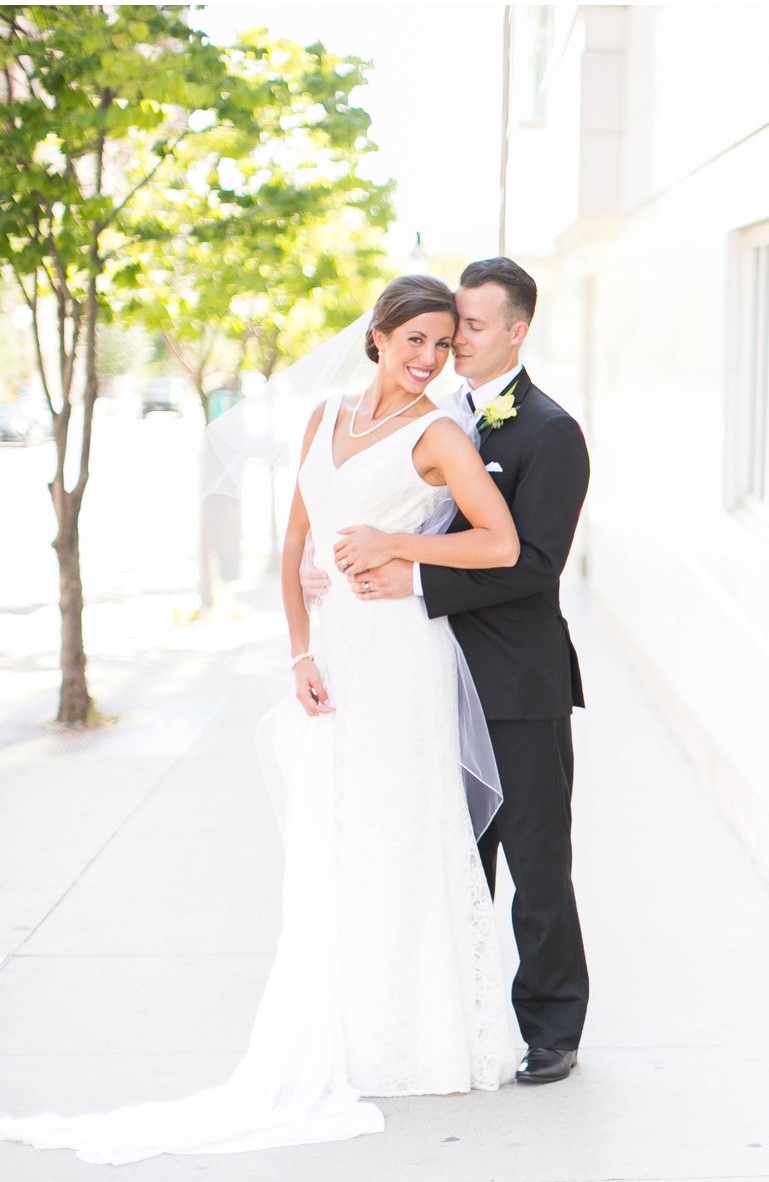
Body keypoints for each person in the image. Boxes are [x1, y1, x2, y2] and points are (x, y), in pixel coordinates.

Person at [0, 275, 525, 1164]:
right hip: (337, 652)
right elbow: (294, 548)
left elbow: (499, 541)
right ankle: (349, 1023)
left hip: (402, 656)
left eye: (442, 344)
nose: (429, 358)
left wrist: (399, 542)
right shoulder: (324, 421)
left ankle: (428, 1035)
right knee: (338, 835)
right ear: (377, 335)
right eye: (415, 340)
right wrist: (299, 651)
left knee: (402, 832)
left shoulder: (438, 434)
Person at [314, 257, 592, 1086]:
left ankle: (552, 1025)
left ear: (516, 331)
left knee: (536, 865)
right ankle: (462, 1018)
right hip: (428, 683)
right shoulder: (436, 414)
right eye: (448, 324)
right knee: (451, 861)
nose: (453, 341)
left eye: (471, 326)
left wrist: (418, 577)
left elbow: (534, 562)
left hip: (516, 687)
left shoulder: (549, 431)